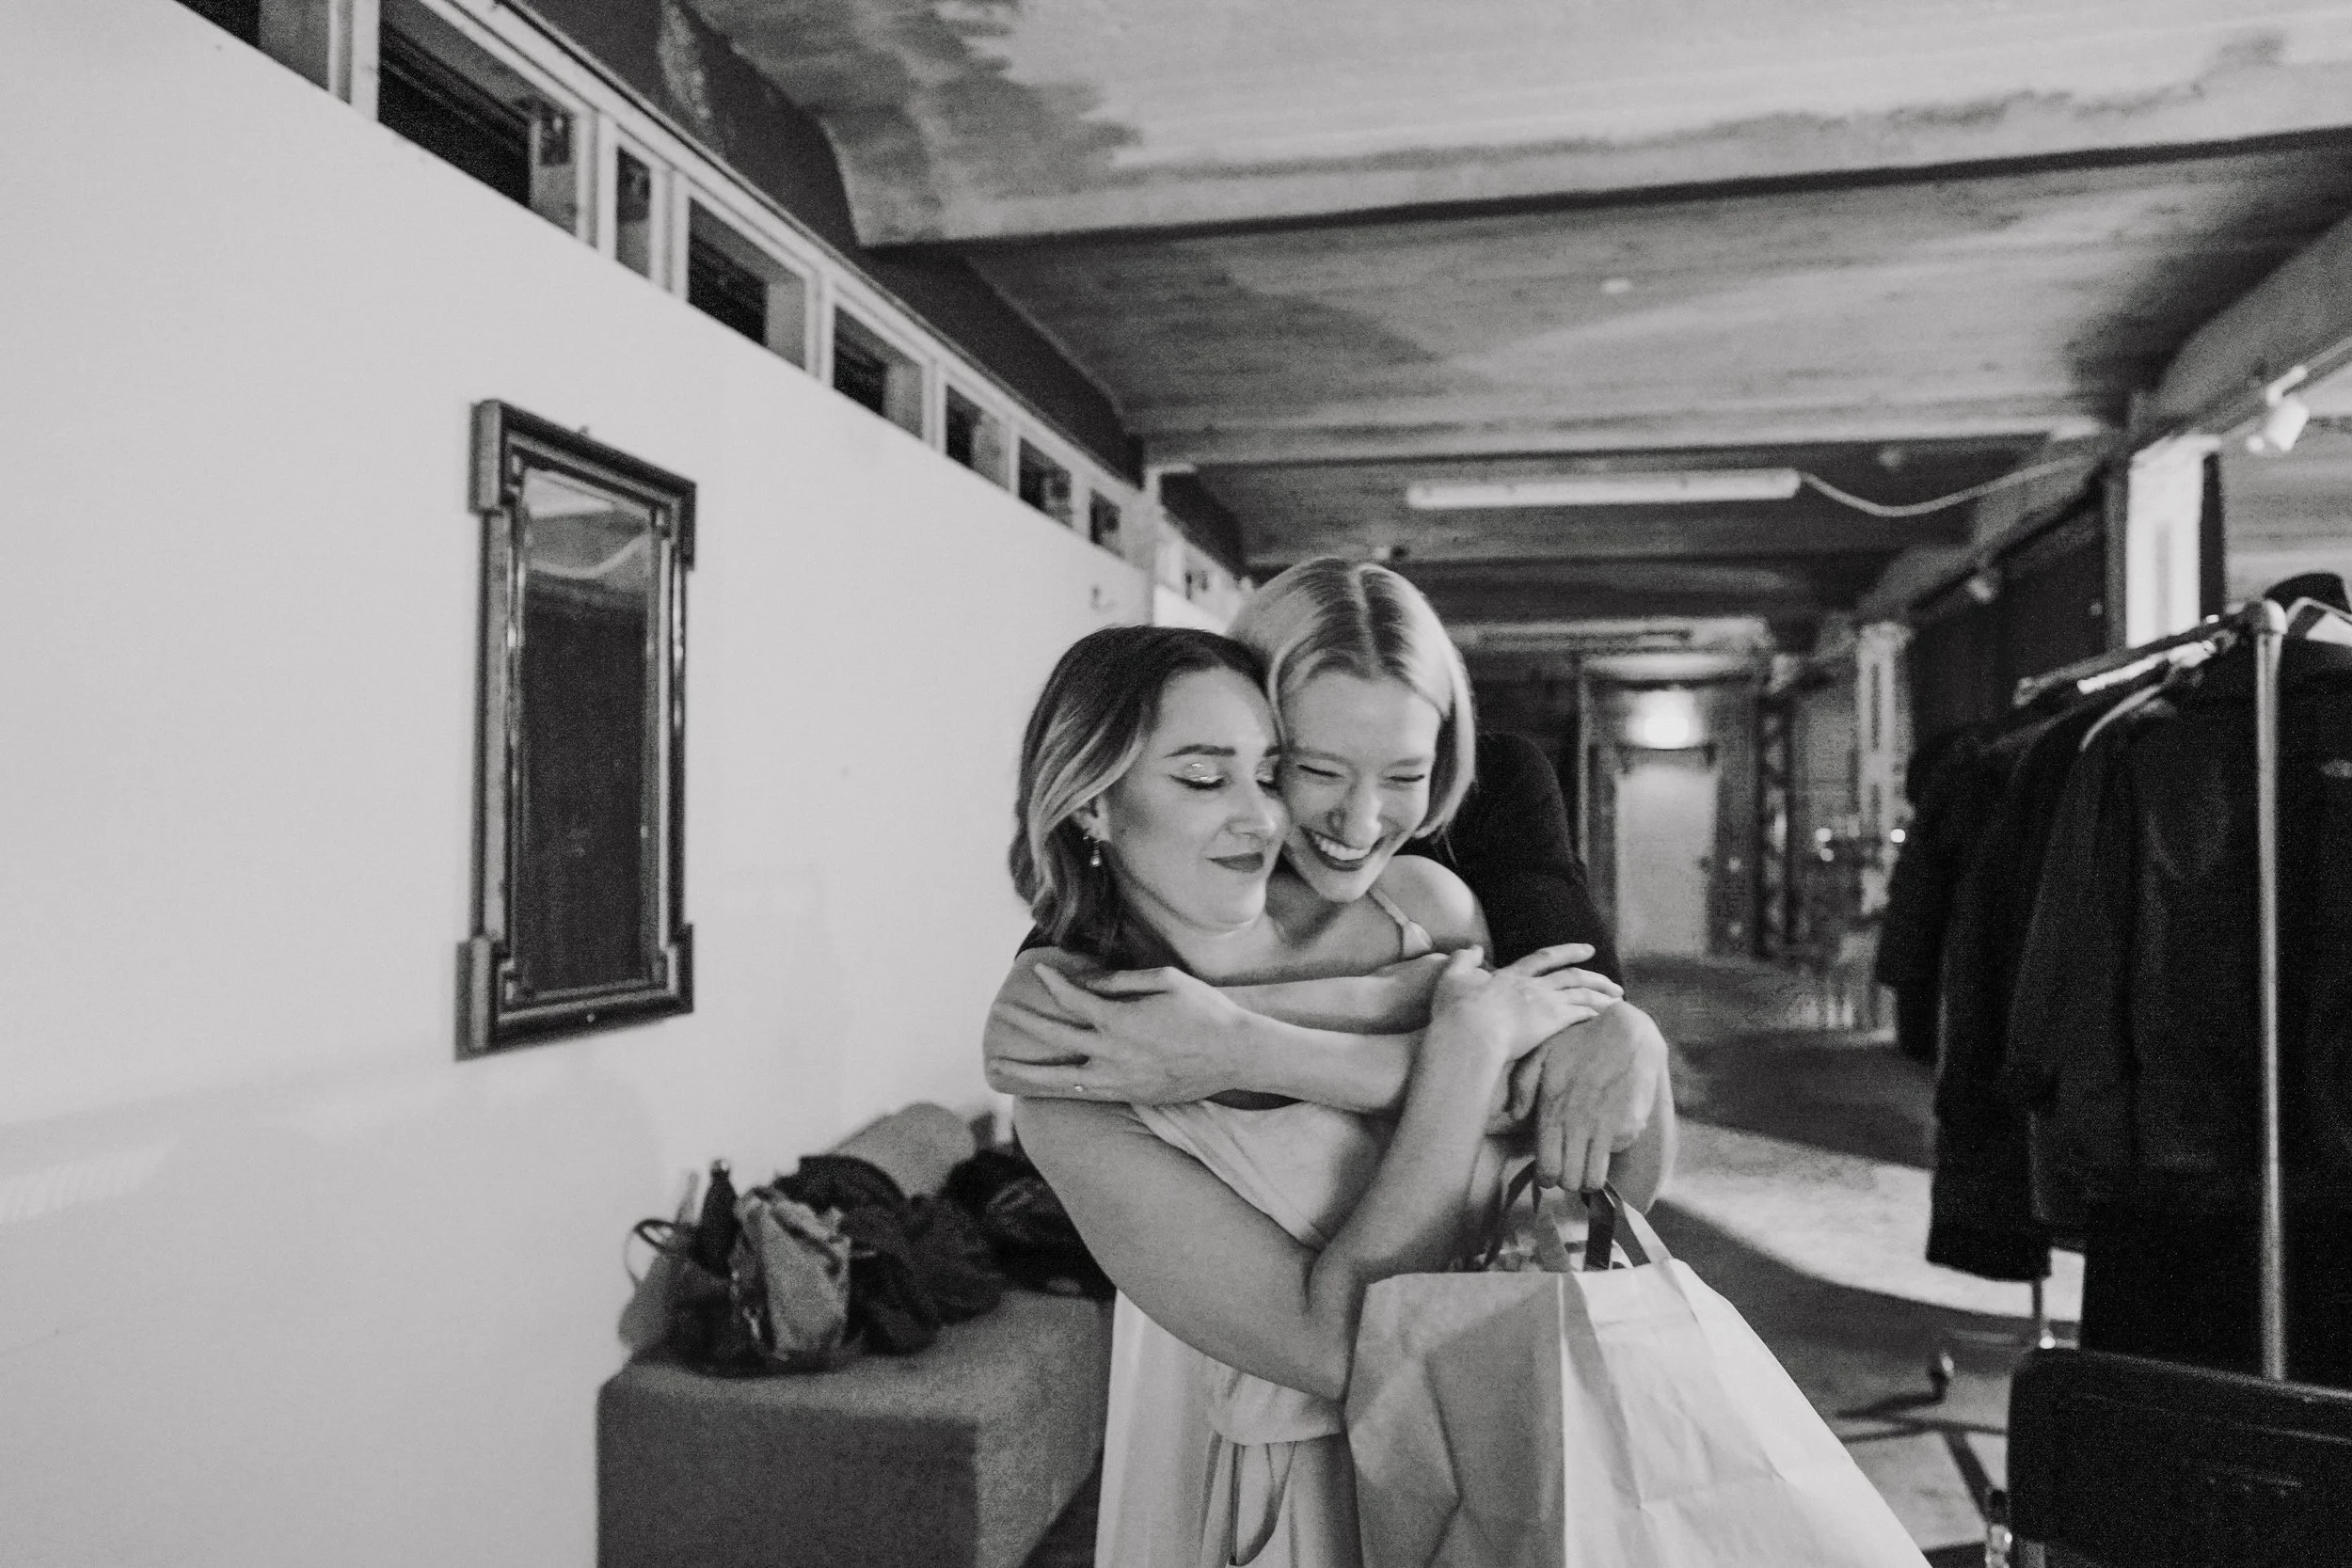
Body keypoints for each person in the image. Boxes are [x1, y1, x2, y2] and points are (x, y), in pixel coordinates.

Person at [1005, 624, 1666, 1567]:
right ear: (1090, 804)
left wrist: (1632, 1035)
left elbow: (1609, 1171)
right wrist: (1463, 1052)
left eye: (1270, 773)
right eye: (1204, 778)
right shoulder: (1074, 1085)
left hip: (1550, 1430)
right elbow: (1334, 1346)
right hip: (1326, 1496)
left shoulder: (1419, 909)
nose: (1262, 818)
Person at [988, 557, 1674, 1194]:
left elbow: (1583, 1018)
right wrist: (1437, 1028)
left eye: (1405, 775)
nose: (1360, 824)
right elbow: (1032, 1021)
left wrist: (1243, 1048)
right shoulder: (1182, 872)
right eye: (1315, 769)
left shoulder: (1489, 802)